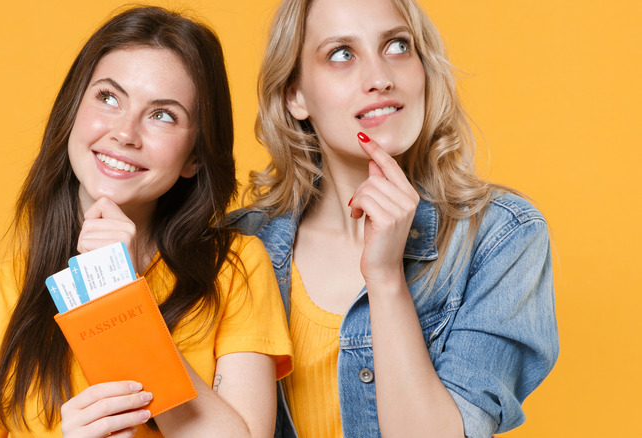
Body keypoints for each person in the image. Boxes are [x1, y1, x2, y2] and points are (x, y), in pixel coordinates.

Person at [0, 6, 292, 438]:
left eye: (163, 114)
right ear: (73, 109)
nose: (125, 133)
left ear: (193, 157)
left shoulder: (235, 269)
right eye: (109, 98)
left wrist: (124, 301)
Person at [228, 0, 559, 437]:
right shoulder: (237, 246)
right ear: (296, 95)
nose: (381, 77)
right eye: (341, 54)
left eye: (398, 46)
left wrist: (385, 278)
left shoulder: (501, 238)